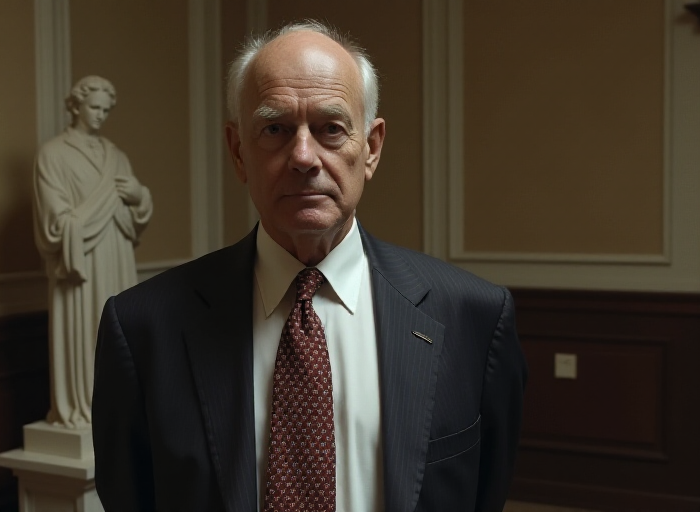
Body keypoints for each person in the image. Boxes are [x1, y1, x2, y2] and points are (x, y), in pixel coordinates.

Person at [92, 22, 526, 511]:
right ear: (238, 152)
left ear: (372, 148)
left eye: (331, 128)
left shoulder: (475, 318)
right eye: (275, 129)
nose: (303, 157)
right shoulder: (143, 328)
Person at [33, 75, 153, 429]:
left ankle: (118, 404)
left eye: (105, 110)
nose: (100, 115)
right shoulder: (53, 155)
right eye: (94, 107)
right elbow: (55, 221)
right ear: (75, 106)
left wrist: (139, 196)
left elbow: (136, 217)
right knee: (86, 331)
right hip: (82, 260)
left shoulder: (117, 156)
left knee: (117, 329)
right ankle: (85, 404)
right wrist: (89, 215)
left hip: (116, 254)